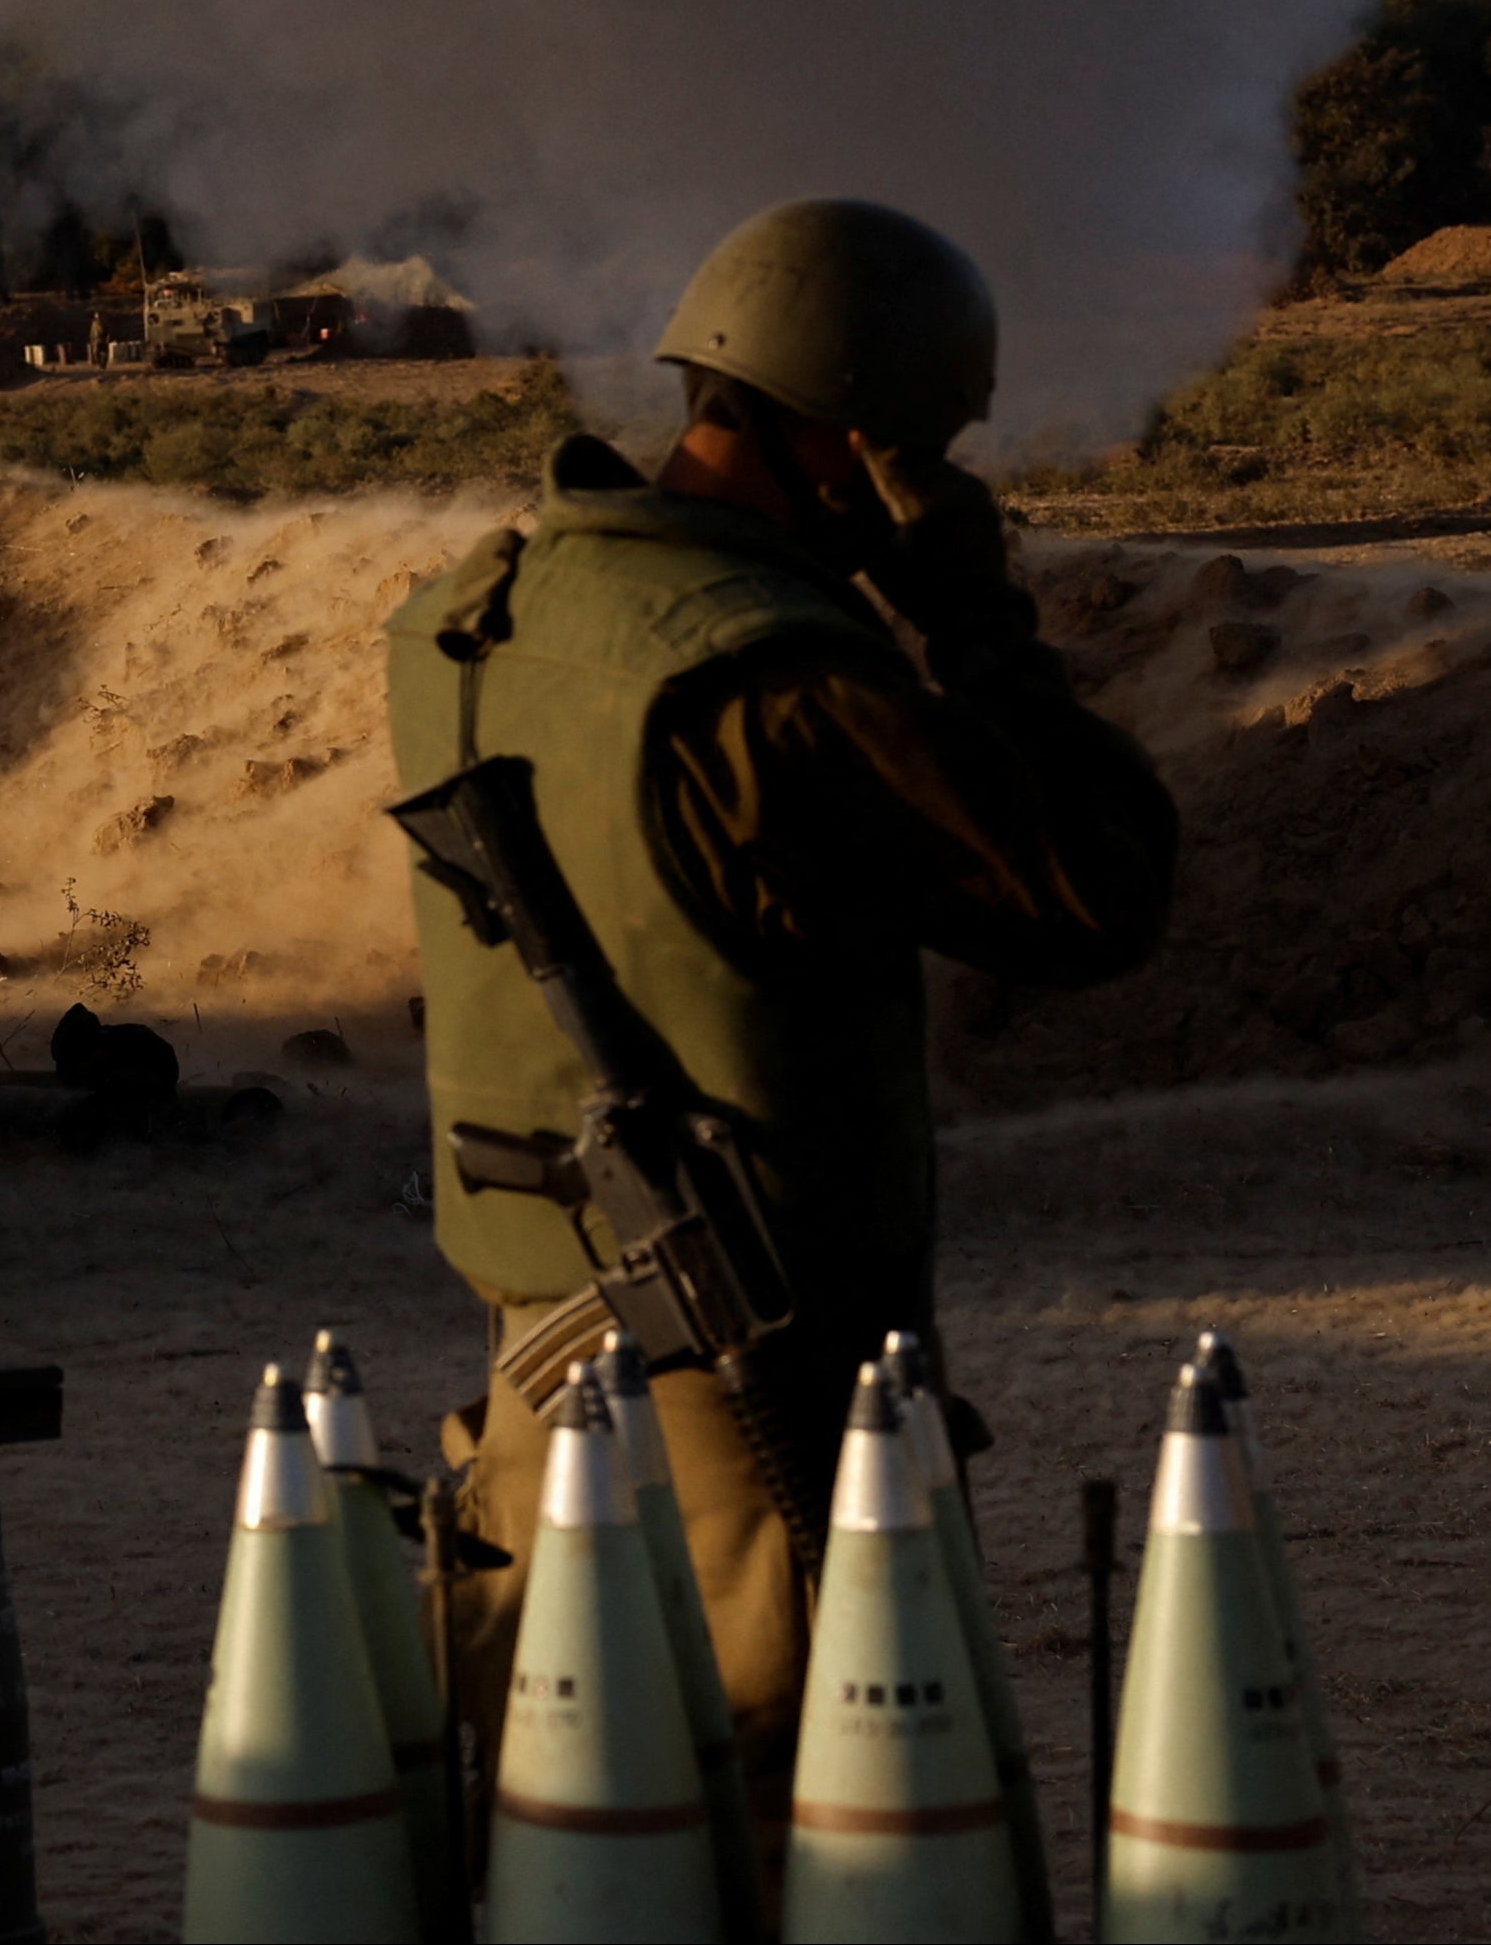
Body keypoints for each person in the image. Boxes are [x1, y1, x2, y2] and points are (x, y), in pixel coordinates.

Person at [388, 198, 1175, 1846]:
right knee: (828, 1841)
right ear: (858, 448)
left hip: (532, 1382)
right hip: (742, 1404)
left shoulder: (477, 612)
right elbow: (1095, 889)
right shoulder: (770, 679)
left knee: (573, 1845)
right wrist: (971, 615)